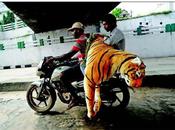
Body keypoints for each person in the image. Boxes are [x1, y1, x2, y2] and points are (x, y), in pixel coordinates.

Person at [51, 22, 88, 109]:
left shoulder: (80, 40)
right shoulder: (86, 37)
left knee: (63, 76)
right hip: (87, 62)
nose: (72, 33)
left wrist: (54, 58)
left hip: (86, 65)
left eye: (73, 31)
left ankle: (76, 98)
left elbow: (68, 55)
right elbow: (84, 52)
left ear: (78, 30)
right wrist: (76, 57)